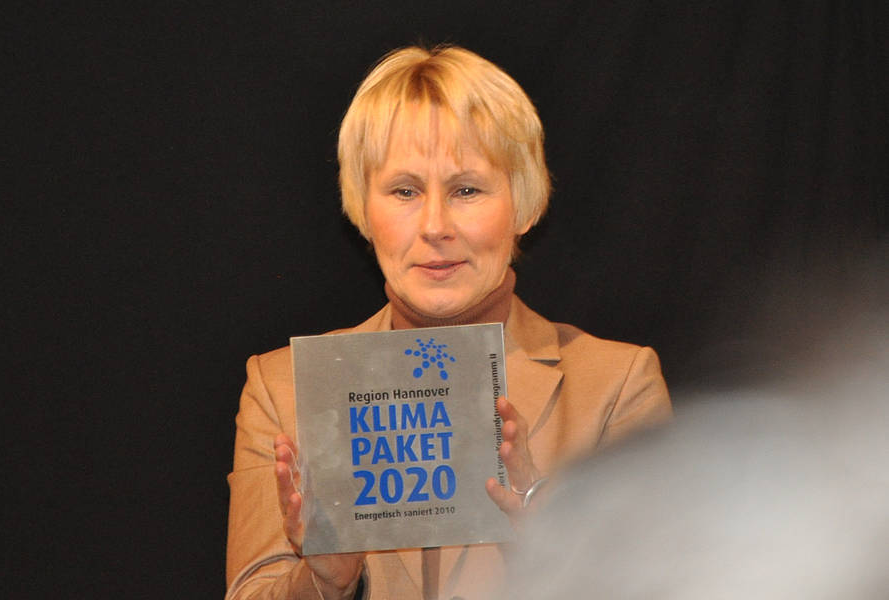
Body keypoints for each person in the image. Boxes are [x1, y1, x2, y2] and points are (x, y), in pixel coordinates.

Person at [225, 45, 672, 600]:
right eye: (404, 191)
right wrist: (323, 580)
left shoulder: (616, 386)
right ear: (363, 209)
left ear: (524, 206)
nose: (435, 225)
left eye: (466, 190)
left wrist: (547, 537)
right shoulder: (283, 387)